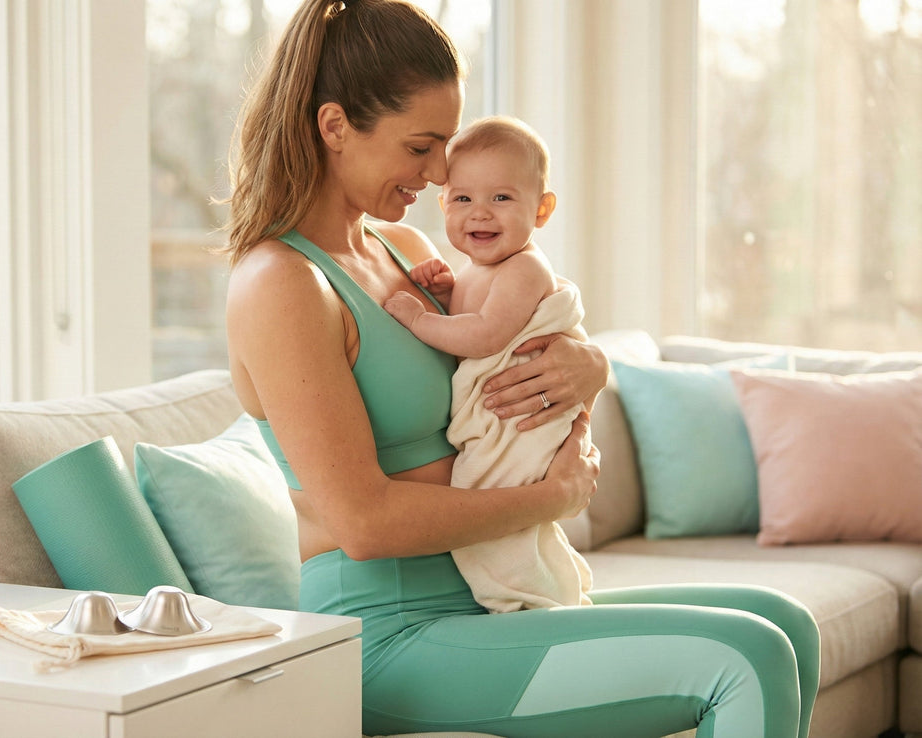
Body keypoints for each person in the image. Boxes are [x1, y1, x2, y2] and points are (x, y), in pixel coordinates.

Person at [222, 1, 819, 736]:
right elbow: (364, 523)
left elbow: (509, 347)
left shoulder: (406, 252)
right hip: (385, 635)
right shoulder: (280, 284)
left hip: (493, 591)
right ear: (336, 126)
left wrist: (587, 365)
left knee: (785, 620)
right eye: (421, 146)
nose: (441, 172)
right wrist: (555, 495)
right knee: (746, 654)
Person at [383, 115, 595, 614]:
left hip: (519, 424)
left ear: (541, 210)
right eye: (463, 199)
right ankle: (537, 586)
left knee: (499, 509)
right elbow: (470, 315)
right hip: (503, 411)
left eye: (501, 198)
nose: (480, 214)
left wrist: (418, 318)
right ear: (444, 203)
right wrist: (443, 295)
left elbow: (484, 336)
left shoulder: (524, 267)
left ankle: (528, 595)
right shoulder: (475, 268)